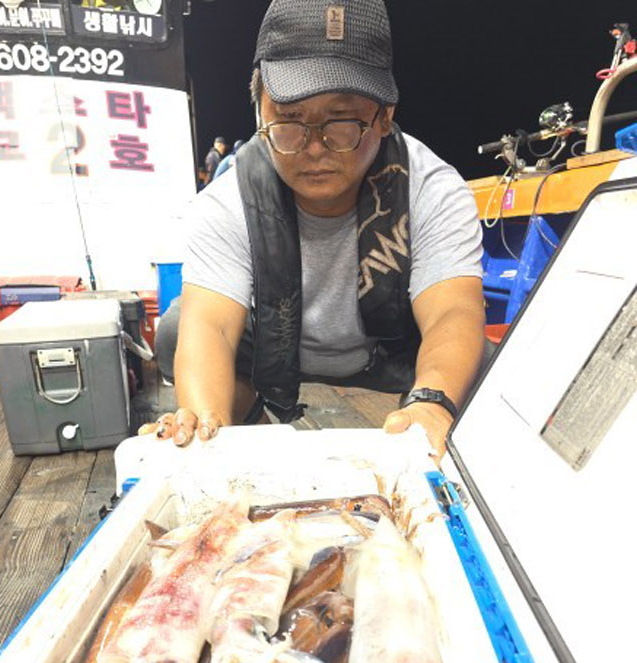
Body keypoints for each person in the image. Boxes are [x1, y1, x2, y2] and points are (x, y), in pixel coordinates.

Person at [156, 0, 485, 449]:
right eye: (289, 120)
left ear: (385, 115)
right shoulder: (226, 200)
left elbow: (452, 310)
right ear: (260, 114)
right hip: (278, 349)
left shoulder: (433, 188)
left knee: (479, 361)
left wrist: (432, 402)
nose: (313, 148)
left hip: (388, 352)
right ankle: (249, 428)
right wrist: (204, 430)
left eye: (342, 121)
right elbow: (209, 323)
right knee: (177, 329)